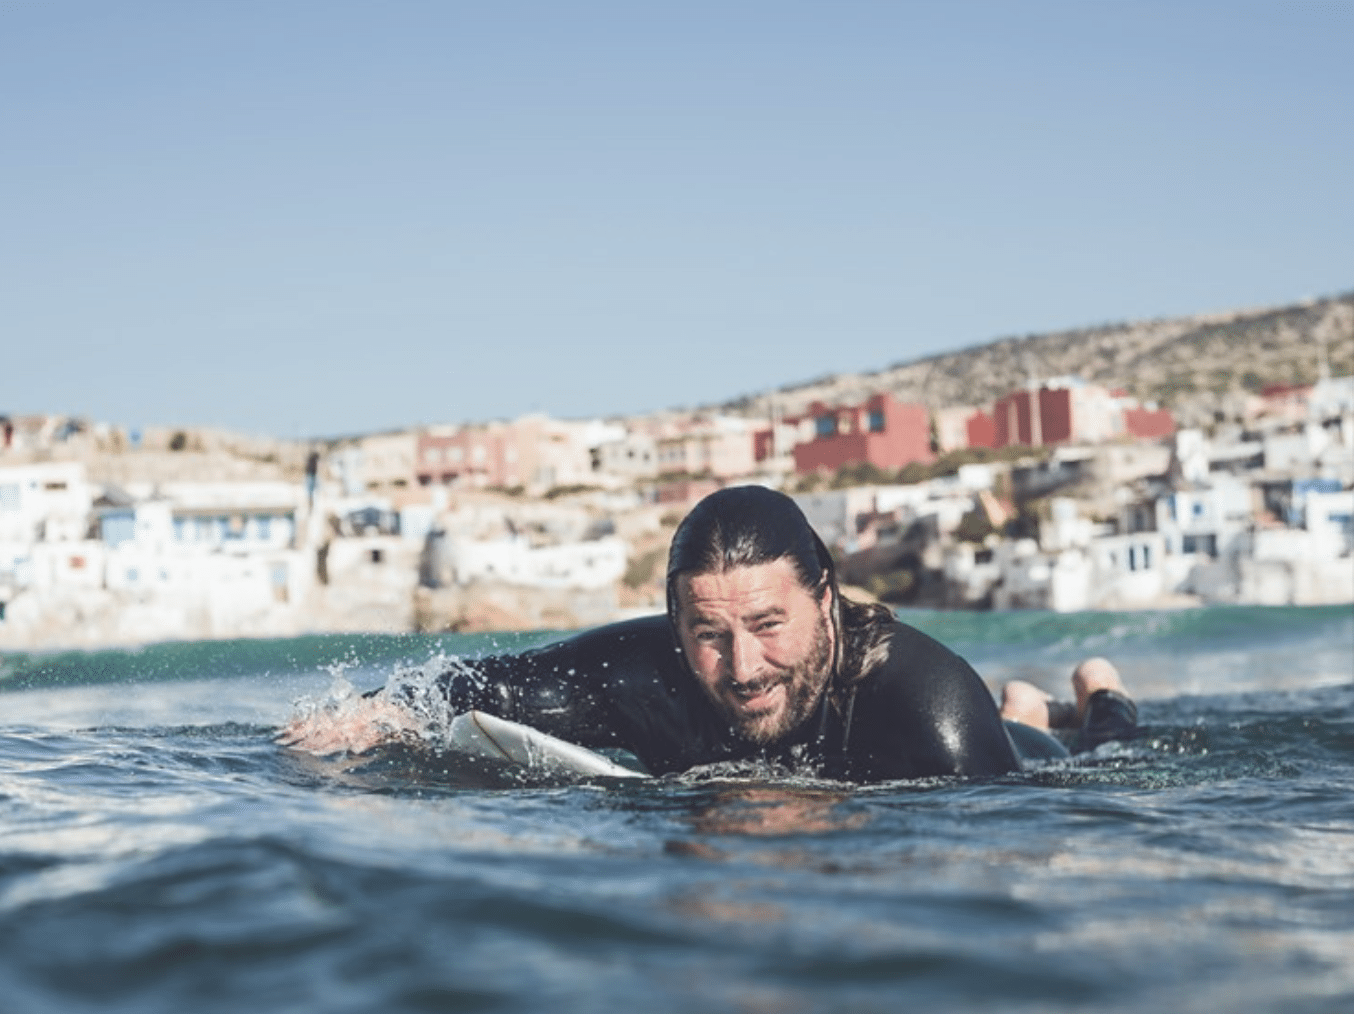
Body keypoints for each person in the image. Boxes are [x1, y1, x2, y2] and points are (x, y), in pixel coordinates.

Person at [279, 486, 1138, 780]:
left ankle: (1091, 690)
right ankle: (1025, 697)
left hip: (1026, 759)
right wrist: (369, 716)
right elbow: (471, 682)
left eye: (769, 625)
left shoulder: (931, 710)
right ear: (673, 620)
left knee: (1097, 747)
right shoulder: (639, 672)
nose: (743, 669)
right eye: (708, 635)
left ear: (826, 600)